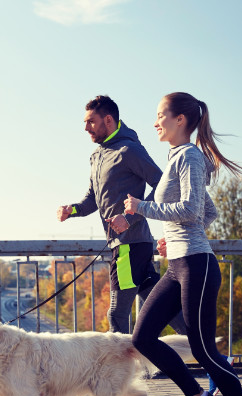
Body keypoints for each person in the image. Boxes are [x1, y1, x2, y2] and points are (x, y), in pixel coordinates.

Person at [124, 92, 242, 396]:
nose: (155, 122)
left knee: (204, 350)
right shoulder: (178, 158)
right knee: (142, 337)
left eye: (160, 115)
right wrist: (171, 239)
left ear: (181, 120)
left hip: (197, 265)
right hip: (179, 262)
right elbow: (208, 212)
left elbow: (190, 208)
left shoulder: (189, 155)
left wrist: (142, 207)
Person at [57, 95, 189, 336]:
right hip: (127, 245)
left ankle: (125, 373)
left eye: (91, 122)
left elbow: (163, 186)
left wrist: (129, 217)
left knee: (117, 315)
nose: (85, 127)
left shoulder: (129, 150)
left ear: (108, 120)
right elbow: (91, 201)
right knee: (164, 309)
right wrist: (71, 210)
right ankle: (214, 356)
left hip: (129, 246)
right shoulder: (97, 156)